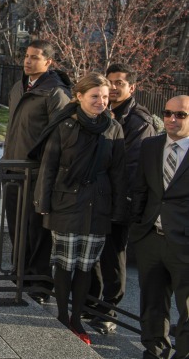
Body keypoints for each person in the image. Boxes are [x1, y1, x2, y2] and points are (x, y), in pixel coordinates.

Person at [32, 72, 125, 345]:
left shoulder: (113, 128)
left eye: (105, 97)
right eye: (95, 96)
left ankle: (76, 319)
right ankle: (62, 316)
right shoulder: (65, 125)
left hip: (98, 205)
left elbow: (118, 172)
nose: (101, 101)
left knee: (86, 266)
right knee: (64, 263)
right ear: (80, 96)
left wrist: (119, 209)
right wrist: (43, 203)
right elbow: (49, 166)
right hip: (66, 203)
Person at [87, 63, 157, 334]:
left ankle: (108, 311)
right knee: (95, 254)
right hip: (97, 195)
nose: (114, 88)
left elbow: (132, 166)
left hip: (119, 199)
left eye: (120, 83)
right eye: (110, 82)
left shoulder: (138, 120)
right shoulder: (102, 112)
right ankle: (92, 304)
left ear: (132, 87)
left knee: (114, 256)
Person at [2, 40, 72, 303]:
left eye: (34, 57)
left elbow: (61, 137)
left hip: (36, 173)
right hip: (12, 168)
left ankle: (39, 282)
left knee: (35, 229)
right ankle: (20, 272)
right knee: (16, 227)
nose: (27, 61)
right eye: (26, 56)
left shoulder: (55, 92)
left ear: (48, 62)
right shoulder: (19, 86)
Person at [130, 95, 189, 359]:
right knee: (152, 301)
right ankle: (154, 349)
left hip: (185, 243)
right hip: (151, 238)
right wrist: (138, 227)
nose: (172, 119)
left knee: (186, 305)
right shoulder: (151, 146)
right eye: (167, 113)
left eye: (181, 115)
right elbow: (141, 189)